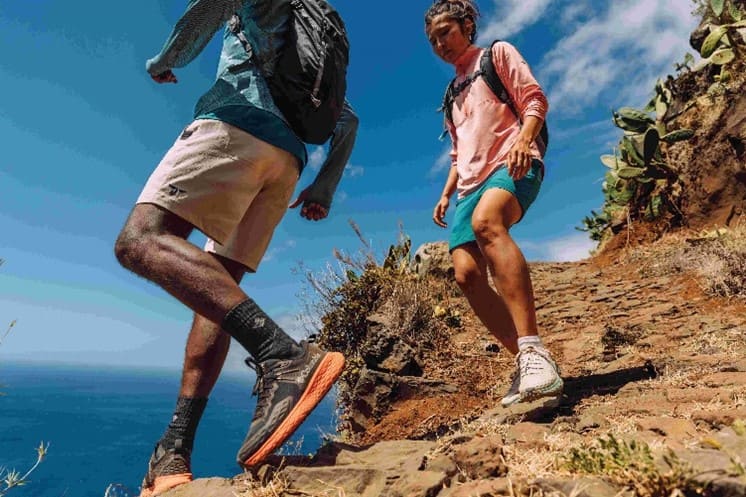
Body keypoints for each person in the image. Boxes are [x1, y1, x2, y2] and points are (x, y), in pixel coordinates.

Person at [113, 1, 357, 496]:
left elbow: (211, 6)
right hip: (286, 163)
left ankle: (282, 355)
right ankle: (174, 449)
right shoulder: (317, 34)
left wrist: (164, 61)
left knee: (140, 240)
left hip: (235, 126)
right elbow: (346, 120)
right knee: (215, 291)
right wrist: (324, 188)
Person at [424, 0, 563, 408]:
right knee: (466, 274)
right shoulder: (450, 94)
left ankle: (533, 348)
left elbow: (534, 99)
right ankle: (528, 363)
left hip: (513, 163)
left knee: (488, 223)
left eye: (446, 32)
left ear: (468, 25)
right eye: (433, 40)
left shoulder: (496, 55)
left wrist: (524, 140)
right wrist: (446, 194)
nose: (440, 44)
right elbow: (458, 152)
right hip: (468, 187)